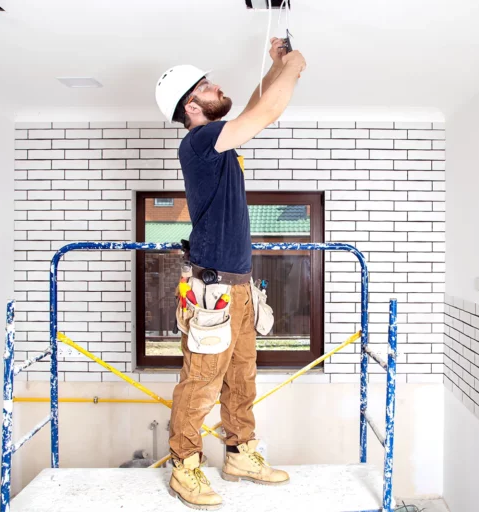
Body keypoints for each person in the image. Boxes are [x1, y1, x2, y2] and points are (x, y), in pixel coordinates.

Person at [155, 38, 306, 510]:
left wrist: (277, 62)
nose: (217, 86)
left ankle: (240, 454)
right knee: (200, 381)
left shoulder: (217, 141)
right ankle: (184, 467)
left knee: (242, 377)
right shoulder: (199, 140)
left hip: (238, 287)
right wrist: (296, 65)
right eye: (206, 84)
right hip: (213, 288)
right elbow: (268, 112)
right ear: (191, 104)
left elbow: (260, 101)